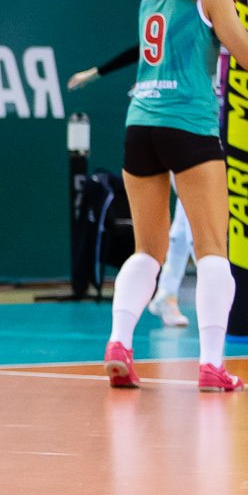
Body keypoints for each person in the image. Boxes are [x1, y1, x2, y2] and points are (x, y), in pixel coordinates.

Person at [97, 0, 248, 392]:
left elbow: (182, 41)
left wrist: (226, 15)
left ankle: (119, 343)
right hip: (188, 125)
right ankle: (211, 364)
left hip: (141, 124)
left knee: (147, 252)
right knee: (213, 249)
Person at [68, 45, 193, 328]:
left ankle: (166, 294)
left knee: (186, 221)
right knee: (192, 226)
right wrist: (96, 72)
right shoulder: (187, 28)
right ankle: (168, 299)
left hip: (195, 123)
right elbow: (146, 47)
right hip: (175, 125)